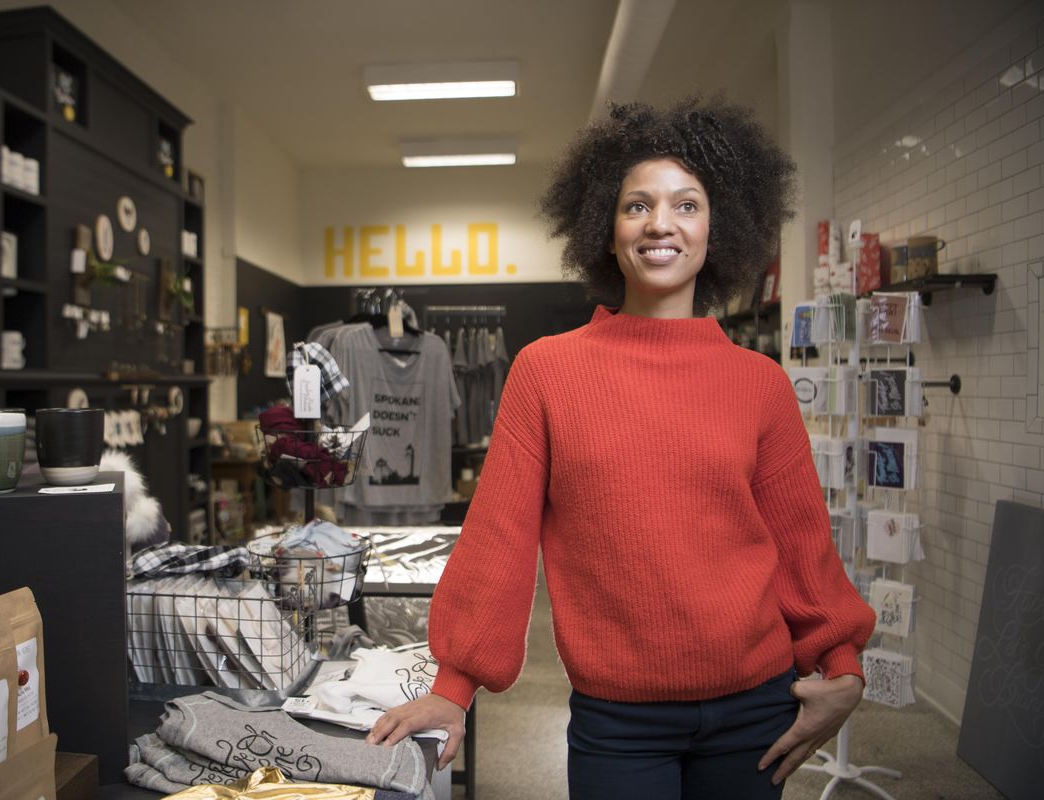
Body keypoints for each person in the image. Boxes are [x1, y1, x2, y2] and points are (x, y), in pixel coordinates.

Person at [367, 95, 876, 799]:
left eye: (686, 205)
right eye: (637, 205)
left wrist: (842, 664)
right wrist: (455, 686)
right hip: (618, 721)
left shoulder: (760, 383)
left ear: (717, 227)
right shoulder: (546, 371)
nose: (661, 223)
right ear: (604, 229)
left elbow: (801, 546)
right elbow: (498, 538)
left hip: (756, 709)